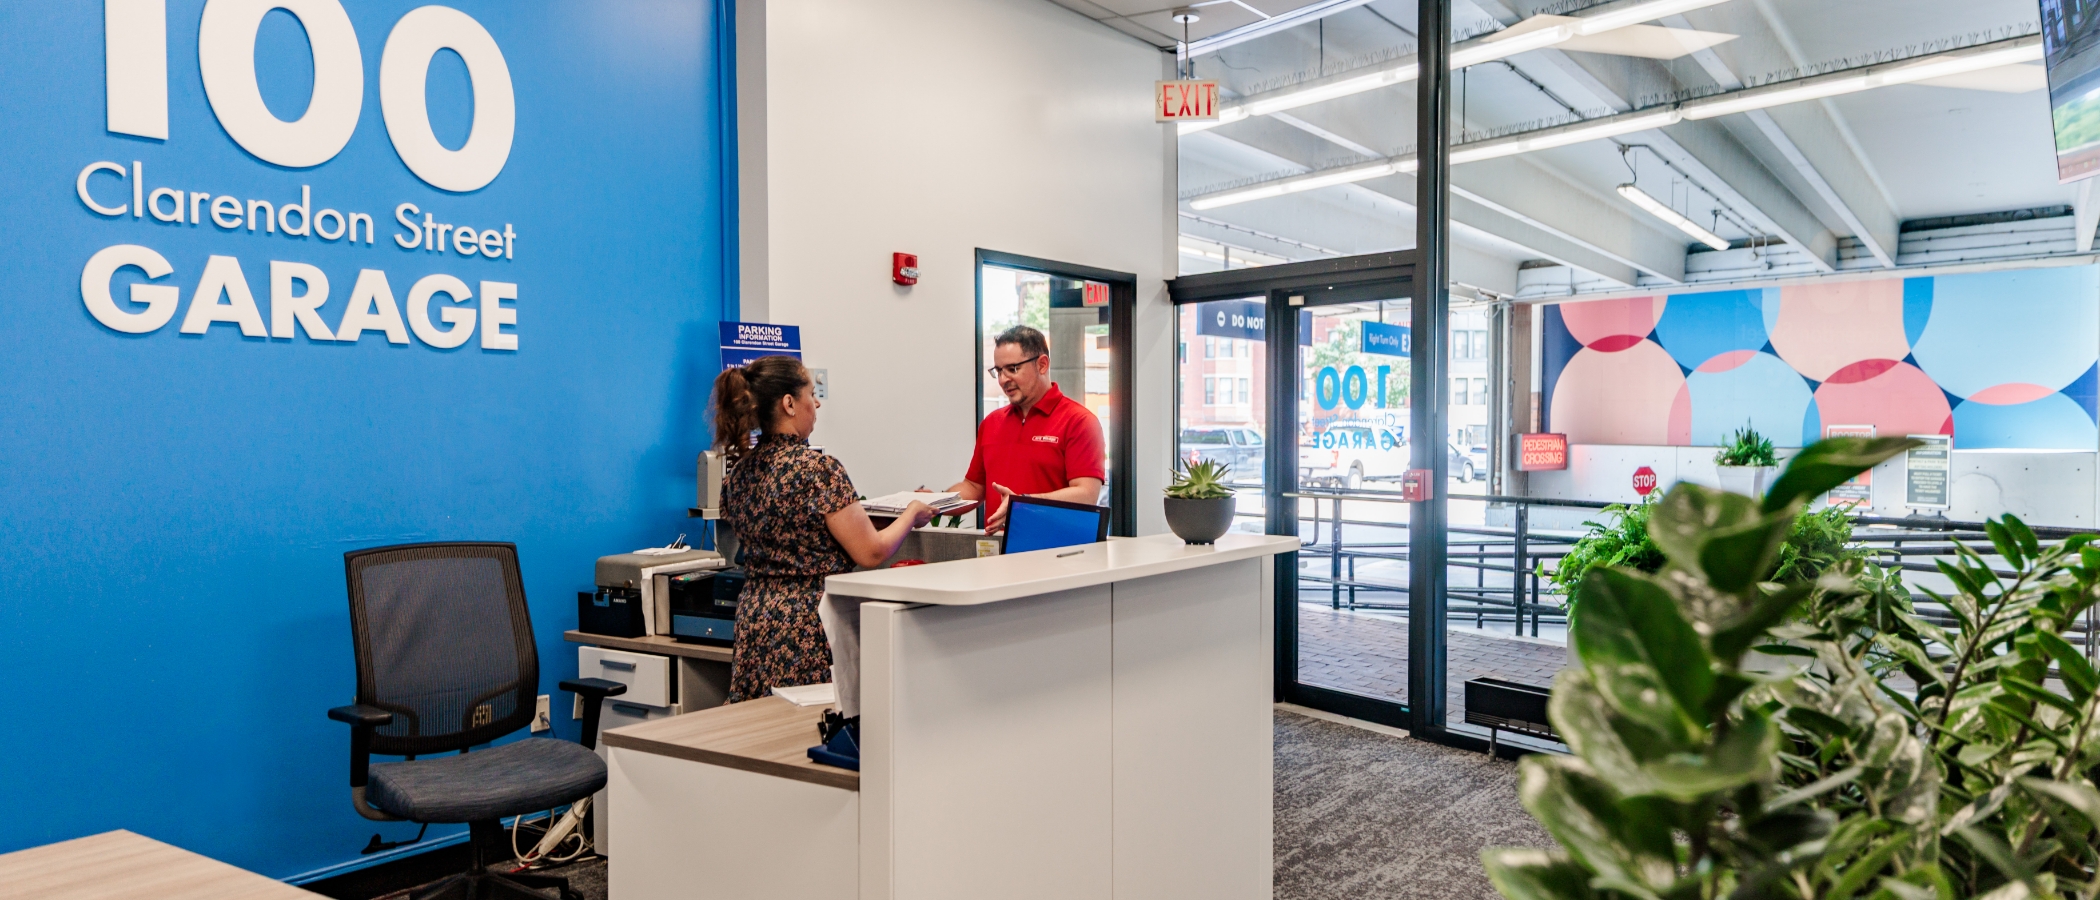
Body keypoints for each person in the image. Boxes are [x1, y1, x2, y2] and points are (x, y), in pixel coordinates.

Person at [713, 355, 933, 704]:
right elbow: (871, 552)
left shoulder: (738, 474)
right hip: (807, 621)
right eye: (810, 394)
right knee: (808, 728)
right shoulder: (819, 470)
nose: (815, 403)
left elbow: (791, 531)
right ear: (788, 404)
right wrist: (911, 514)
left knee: (758, 730)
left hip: (755, 617)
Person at [947, 325, 1106, 531]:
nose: (1004, 380)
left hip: (1056, 552)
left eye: (1012, 369)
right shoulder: (992, 423)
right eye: (998, 371)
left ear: (1042, 365)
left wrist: (1021, 503)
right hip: (997, 553)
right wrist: (933, 504)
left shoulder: (1079, 422)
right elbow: (974, 487)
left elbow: (1086, 495)